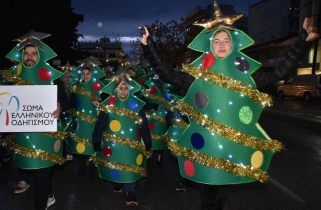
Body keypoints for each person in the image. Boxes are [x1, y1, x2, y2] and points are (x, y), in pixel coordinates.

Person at [140, 1, 319, 209]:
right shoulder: (198, 77)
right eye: (217, 41)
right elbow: (169, 75)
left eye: (226, 40)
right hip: (206, 147)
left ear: (233, 44)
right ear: (210, 45)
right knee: (209, 195)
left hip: (231, 148)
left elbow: (279, 73)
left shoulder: (244, 76)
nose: (222, 44)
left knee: (222, 194)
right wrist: (149, 47)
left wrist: (303, 42)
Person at [3, 30, 67, 210]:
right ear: (21, 55)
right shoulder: (13, 78)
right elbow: (4, 102)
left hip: (46, 134)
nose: (30, 57)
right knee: (36, 171)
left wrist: (60, 106)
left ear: (39, 56)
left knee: (41, 172)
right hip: (25, 134)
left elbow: (65, 100)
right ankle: (48, 194)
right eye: (26, 53)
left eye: (33, 54)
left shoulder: (52, 77)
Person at [91, 71, 152, 206]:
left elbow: (144, 125)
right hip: (113, 145)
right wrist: (96, 140)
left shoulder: (136, 106)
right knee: (116, 163)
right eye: (121, 88)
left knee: (129, 165)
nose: (123, 91)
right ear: (116, 90)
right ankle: (118, 182)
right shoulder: (108, 106)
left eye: (126, 88)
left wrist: (147, 141)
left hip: (131, 145)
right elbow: (100, 124)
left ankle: (131, 193)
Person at [67, 64, 105, 181]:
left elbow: (106, 100)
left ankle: (91, 168)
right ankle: (81, 169)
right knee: (78, 146)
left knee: (91, 144)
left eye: (88, 74)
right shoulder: (76, 85)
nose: (85, 75)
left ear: (92, 74)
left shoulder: (98, 86)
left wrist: (99, 102)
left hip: (92, 120)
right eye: (83, 74)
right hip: (78, 121)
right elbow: (71, 102)